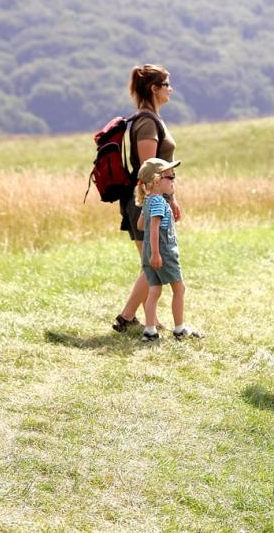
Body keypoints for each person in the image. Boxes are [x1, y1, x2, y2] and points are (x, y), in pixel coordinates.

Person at [112, 64, 181, 334]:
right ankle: (126, 317)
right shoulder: (147, 123)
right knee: (152, 262)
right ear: (154, 89)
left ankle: (145, 318)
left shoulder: (149, 120)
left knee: (150, 262)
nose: (170, 89)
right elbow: (150, 170)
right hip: (145, 202)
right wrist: (170, 198)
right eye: (166, 84)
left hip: (144, 200)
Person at [134, 158, 203, 342]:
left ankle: (150, 331)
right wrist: (157, 254)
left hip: (149, 253)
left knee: (154, 291)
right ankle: (180, 329)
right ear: (156, 181)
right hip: (163, 253)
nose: (173, 180)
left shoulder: (149, 201)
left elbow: (141, 225)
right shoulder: (158, 201)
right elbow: (154, 228)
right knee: (179, 289)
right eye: (170, 177)